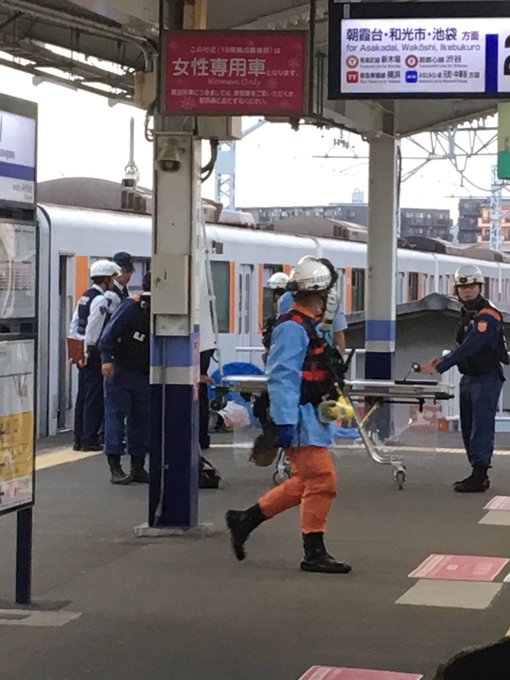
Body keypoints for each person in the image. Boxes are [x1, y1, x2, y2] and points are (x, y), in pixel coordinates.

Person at [226, 256, 352, 574]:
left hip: (309, 417)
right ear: (319, 295)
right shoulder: (293, 329)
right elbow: (283, 377)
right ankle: (313, 552)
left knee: (306, 481)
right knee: (322, 480)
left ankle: (245, 520)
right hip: (299, 419)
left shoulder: (306, 326)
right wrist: (284, 422)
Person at [420, 264, 508, 492]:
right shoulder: (468, 313)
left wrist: (441, 366)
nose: (467, 291)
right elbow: (463, 346)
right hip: (470, 377)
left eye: (471, 287)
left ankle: (480, 474)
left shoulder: (487, 315)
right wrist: (443, 359)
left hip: (486, 377)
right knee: (468, 426)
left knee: (481, 426)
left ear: (480, 287)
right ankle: (476, 471)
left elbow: (471, 346)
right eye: (463, 287)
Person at [99, 270, 151, 484]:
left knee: (141, 420)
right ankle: (115, 467)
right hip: (120, 370)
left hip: (144, 373)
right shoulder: (132, 306)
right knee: (116, 417)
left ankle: (138, 466)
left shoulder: (161, 310)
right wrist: (106, 359)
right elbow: (107, 336)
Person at [68, 259, 121, 452]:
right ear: (106, 279)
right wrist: (89, 350)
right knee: (94, 396)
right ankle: (89, 439)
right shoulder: (100, 300)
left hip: (80, 349)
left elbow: (75, 323)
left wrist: (76, 349)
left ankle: (78, 438)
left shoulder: (85, 296)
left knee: (83, 395)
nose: (113, 282)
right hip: (92, 352)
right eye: (112, 278)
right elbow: (94, 328)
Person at [278, 258, 347, 355]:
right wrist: (342, 354)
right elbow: (338, 332)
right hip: (318, 352)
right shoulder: (333, 299)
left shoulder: (285, 300)